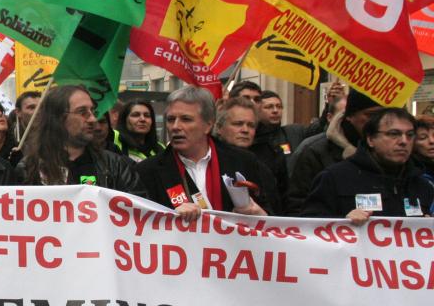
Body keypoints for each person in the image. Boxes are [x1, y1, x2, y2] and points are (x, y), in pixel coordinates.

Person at [136, 85, 276, 221]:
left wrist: (258, 213)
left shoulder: (243, 161)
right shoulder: (148, 170)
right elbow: (141, 221)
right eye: (171, 119)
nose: (175, 127)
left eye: (186, 119)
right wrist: (169, 216)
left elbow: (272, 219)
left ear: (208, 125)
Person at [303, 107, 433, 221]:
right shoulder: (335, 178)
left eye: (410, 135)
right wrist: (342, 222)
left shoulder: (421, 185)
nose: (404, 141)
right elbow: (309, 228)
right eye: (394, 134)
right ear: (370, 139)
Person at [20, 85, 144, 195]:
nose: (93, 119)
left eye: (92, 111)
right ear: (58, 118)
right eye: (82, 112)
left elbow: (137, 209)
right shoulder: (29, 168)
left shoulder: (115, 166)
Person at [286, 89, 376, 215]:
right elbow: (298, 207)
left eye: (382, 115)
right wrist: (342, 222)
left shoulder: (390, 152)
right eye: (370, 115)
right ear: (349, 116)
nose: (377, 121)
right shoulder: (315, 151)